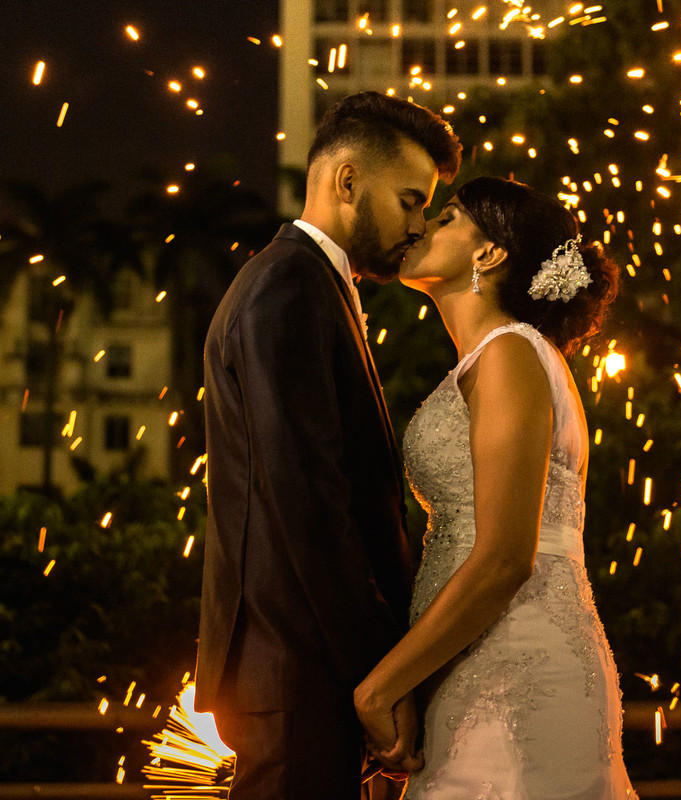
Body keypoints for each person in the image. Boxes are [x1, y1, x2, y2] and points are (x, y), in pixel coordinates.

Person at [196, 91, 461, 800]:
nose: (418, 224)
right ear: (348, 182)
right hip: (296, 668)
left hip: (299, 667)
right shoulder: (286, 288)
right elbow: (311, 505)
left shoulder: (309, 284)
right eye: (410, 200)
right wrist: (378, 677)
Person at [353, 176, 637, 798]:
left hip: (517, 672)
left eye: (447, 216)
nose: (422, 225)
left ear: (490, 253)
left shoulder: (510, 353)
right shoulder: (494, 357)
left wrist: (381, 686)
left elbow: (507, 556)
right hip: (473, 664)